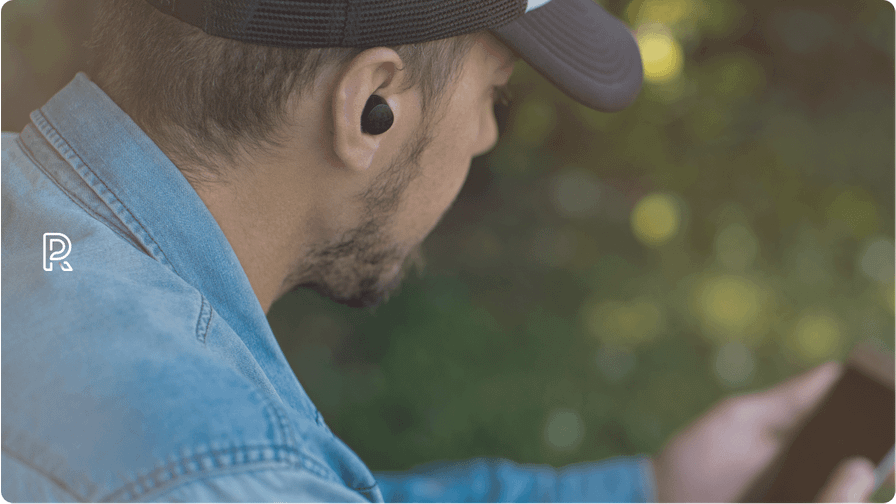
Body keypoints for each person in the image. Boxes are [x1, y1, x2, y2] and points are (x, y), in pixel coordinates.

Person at [0, 0, 886, 501]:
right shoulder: (221, 475)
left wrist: (652, 491)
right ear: (370, 108)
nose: (489, 139)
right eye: (495, 95)